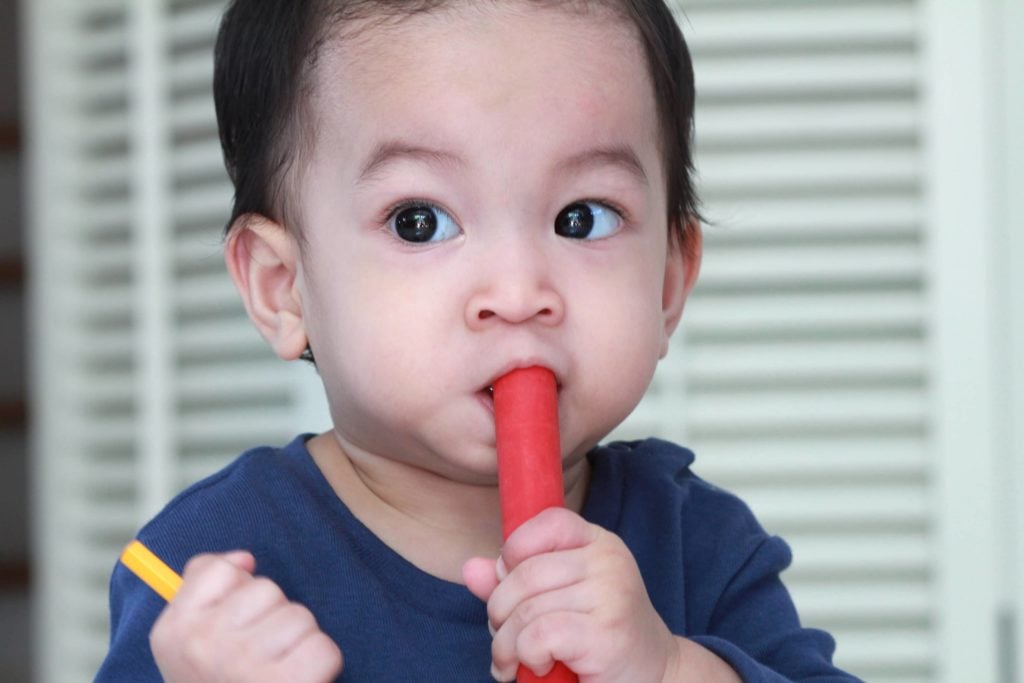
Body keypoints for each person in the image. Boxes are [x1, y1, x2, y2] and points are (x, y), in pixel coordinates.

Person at [96, 1, 863, 681]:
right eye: (419, 221)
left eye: (582, 217)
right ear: (282, 287)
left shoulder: (699, 544)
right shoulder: (204, 575)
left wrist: (668, 669)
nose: (518, 292)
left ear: (668, 283)